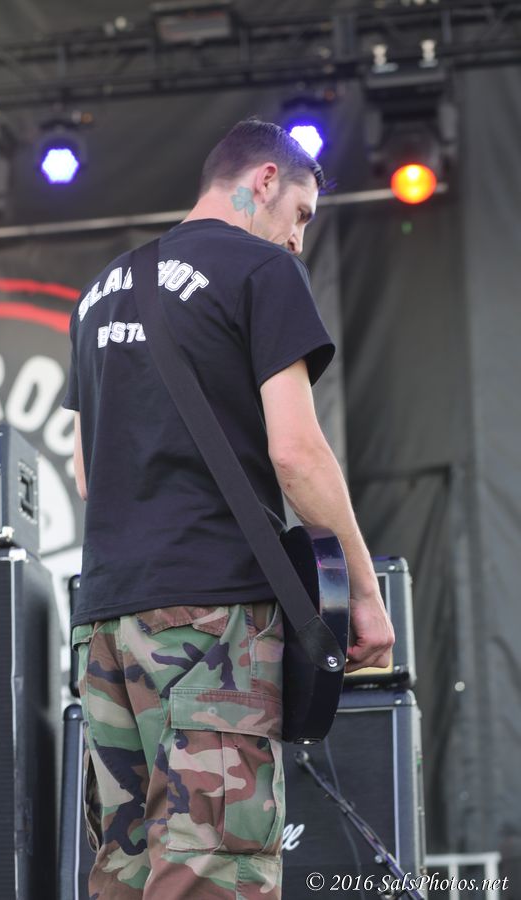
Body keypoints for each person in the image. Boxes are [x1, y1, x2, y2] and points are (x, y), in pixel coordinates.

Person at [63, 117, 394, 900]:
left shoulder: (101, 290)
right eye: (301, 214)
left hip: (105, 624)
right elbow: (297, 453)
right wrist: (364, 593)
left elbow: (84, 473)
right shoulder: (261, 270)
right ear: (265, 180)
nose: (299, 240)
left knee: (124, 872)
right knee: (214, 871)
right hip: (210, 620)